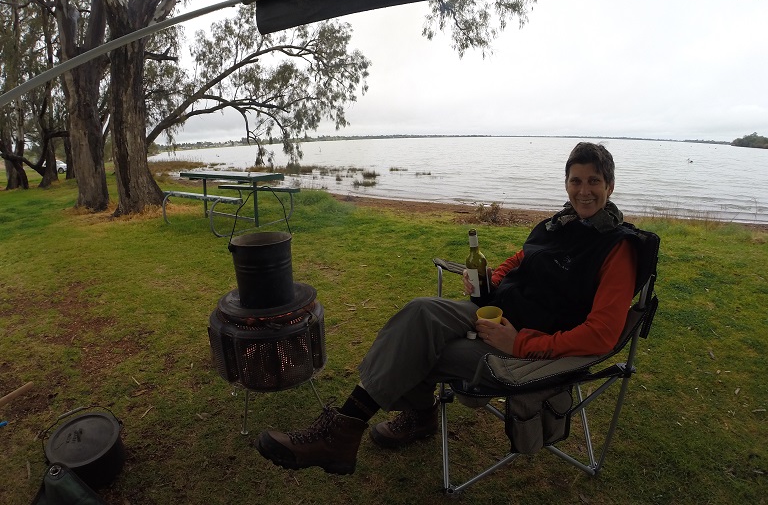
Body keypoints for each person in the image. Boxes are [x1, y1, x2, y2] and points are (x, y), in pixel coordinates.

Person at [255, 142, 639, 475]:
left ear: (610, 186)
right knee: (421, 312)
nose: (584, 191)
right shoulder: (559, 226)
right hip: (499, 314)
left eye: (593, 182)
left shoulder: (616, 249)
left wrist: (518, 342)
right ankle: (408, 419)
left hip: (531, 347)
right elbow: (521, 258)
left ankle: (346, 431)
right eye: (576, 181)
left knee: (424, 344)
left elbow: (602, 334)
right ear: (566, 183)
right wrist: (491, 278)